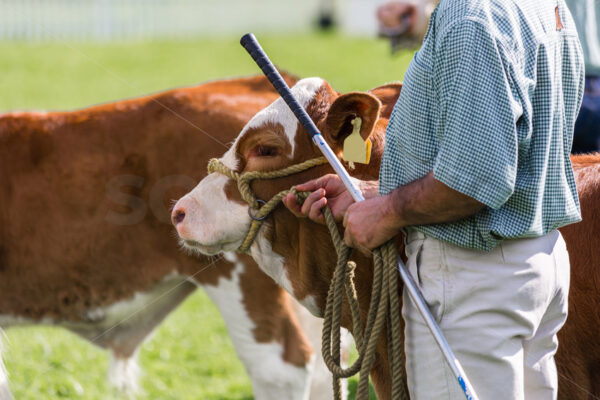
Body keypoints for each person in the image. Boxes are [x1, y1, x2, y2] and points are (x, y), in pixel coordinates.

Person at [284, 0, 585, 398]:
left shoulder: (471, 16)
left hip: (473, 272)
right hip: (533, 257)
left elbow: (476, 179)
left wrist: (387, 212)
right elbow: (512, 154)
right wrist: (378, 191)